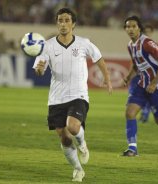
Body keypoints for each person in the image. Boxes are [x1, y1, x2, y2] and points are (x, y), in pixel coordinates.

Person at [33, 8, 112, 182]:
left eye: (67, 20)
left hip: (78, 95)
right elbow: (39, 69)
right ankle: (78, 169)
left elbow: (98, 59)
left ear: (73, 24)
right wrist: (39, 70)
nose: (63, 24)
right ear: (57, 23)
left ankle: (83, 144)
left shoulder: (84, 43)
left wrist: (107, 77)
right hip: (56, 98)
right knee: (65, 138)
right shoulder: (47, 45)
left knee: (74, 127)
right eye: (60, 20)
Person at [122, 16, 158, 157]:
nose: (130, 29)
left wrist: (154, 82)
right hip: (142, 84)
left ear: (139, 28)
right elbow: (137, 64)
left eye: (133, 26)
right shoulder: (130, 45)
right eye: (127, 27)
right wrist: (129, 76)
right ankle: (132, 149)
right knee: (130, 113)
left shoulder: (147, 43)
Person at [128, 24, 154, 123]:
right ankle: (142, 113)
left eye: (149, 32)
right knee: (132, 93)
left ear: (151, 33)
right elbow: (134, 61)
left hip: (148, 76)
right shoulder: (136, 44)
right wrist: (129, 75)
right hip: (138, 75)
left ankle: (145, 113)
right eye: (145, 32)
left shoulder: (153, 45)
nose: (147, 33)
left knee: (147, 95)